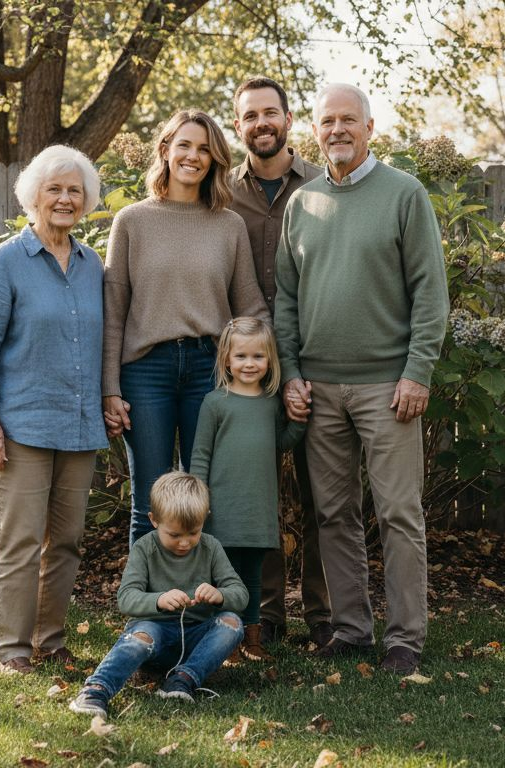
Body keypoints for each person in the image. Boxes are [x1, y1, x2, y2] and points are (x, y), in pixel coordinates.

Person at [274, 83, 449, 675]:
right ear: (315, 131)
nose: (338, 131)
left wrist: (417, 371)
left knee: (398, 513)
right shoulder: (302, 204)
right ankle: (350, 630)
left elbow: (430, 292)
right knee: (333, 516)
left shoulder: (404, 194)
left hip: (388, 387)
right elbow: (286, 301)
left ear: (370, 128)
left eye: (349, 120)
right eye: (328, 122)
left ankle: (405, 639)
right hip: (320, 390)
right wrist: (292, 373)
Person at [0, 144, 107, 675]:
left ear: (86, 199)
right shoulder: (6, 262)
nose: (65, 199)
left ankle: (51, 639)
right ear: (34, 197)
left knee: (65, 542)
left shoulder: (94, 265)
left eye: (74, 190)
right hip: (21, 424)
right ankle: (13, 649)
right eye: (55, 189)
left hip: (78, 425)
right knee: (20, 541)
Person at [101, 109, 269, 547]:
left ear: (215, 160)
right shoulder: (132, 221)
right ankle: (144, 609)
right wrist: (110, 388)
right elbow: (114, 312)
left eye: (204, 149)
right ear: (165, 150)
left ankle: (201, 608)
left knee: (203, 497)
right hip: (145, 373)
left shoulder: (228, 225)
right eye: (185, 145)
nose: (193, 156)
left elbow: (249, 305)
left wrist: (276, 375)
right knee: (150, 501)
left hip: (207, 373)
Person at [227, 76, 331, 650]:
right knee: (253, 499)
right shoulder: (220, 192)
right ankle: (263, 618)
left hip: (313, 359)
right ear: (238, 124)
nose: (261, 123)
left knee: (322, 496)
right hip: (242, 365)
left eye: (271, 113)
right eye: (250, 116)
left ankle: (323, 617)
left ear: (289, 120)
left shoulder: (323, 187)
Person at [68, 472, 247, 719]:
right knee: (141, 635)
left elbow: (240, 594)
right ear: (154, 520)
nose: (184, 542)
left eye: (193, 533)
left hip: (198, 640)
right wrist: (159, 600)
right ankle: (97, 689)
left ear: (204, 521)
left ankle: (183, 679)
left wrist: (220, 594)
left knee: (232, 622)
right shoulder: (145, 548)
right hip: (155, 635)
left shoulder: (211, 547)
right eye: (174, 535)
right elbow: (126, 599)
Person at [189, 317, 305, 662]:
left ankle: (252, 640)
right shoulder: (215, 402)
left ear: (269, 360)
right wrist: (199, 500)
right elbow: (200, 455)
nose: (249, 364)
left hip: (257, 506)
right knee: (224, 578)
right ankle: (225, 640)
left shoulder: (271, 403)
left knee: (252, 577)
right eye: (241, 356)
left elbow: (281, 443)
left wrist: (298, 422)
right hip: (222, 507)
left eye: (258, 357)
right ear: (227, 359)